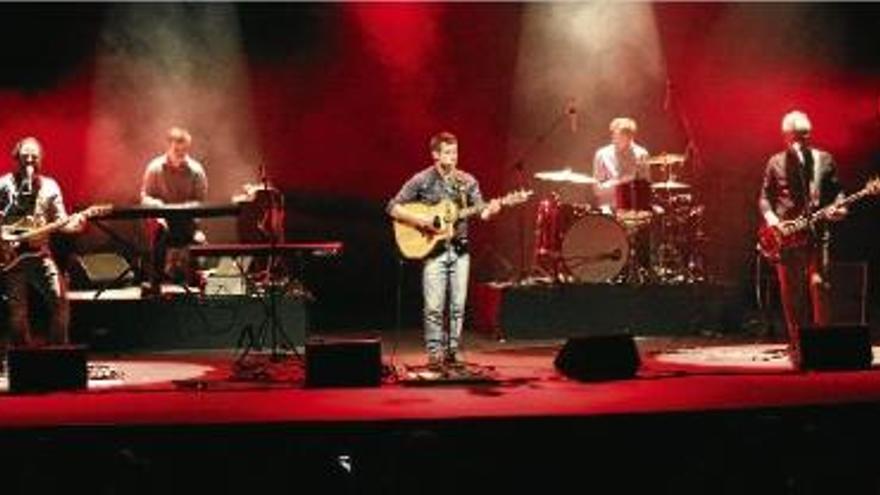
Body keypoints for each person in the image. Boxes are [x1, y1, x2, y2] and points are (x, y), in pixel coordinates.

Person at [387, 131, 500, 367]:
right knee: (434, 307)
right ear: (436, 154)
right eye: (448, 152)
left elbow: (482, 210)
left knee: (458, 305)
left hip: (460, 249)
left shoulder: (467, 181)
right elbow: (393, 207)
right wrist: (424, 222)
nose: (454, 157)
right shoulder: (422, 180)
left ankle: (453, 351)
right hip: (433, 252)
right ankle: (434, 353)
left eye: (456, 152)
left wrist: (491, 209)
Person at [758, 110, 847, 368]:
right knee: (791, 292)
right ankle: (798, 343)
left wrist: (839, 208)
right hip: (786, 236)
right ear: (785, 137)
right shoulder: (774, 162)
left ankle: (822, 342)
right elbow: (764, 197)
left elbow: (837, 191)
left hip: (818, 234)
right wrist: (773, 220)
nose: (801, 142)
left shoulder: (824, 159)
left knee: (819, 284)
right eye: (796, 137)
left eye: (806, 136)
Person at [0, 136, 86, 347]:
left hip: (39, 255)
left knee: (60, 300)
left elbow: (61, 221)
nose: (29, 160)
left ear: (41, 160)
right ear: (16, 159)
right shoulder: (3, 184)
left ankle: (57, 353)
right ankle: (21, 359)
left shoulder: (50, 186)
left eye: (34, 157)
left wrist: (76, 224)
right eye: (25, 156)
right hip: (11, 258)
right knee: (17, 313)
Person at [140, 127, 208, 295]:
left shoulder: (196, 170)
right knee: (160, 230)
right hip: (162, 220)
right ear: (168, 146)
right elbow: (145, 196)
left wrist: (186, 209)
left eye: (184, 149)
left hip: (186, 222)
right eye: (177, 149)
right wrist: (158, 206)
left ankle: (194, 280)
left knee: (197, 238)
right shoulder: (154, 168)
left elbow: (200, 201)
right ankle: (155, 281)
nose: (181, 153)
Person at [592, 117, 651, 212]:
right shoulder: (602, 154)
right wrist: (621, 182)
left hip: (633, 208)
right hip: (609, 208)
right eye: (613, 136)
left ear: (630, 138)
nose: (614, 140)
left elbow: (646, 189)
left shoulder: (641, 154)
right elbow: (597, 190)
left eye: (619, 138)